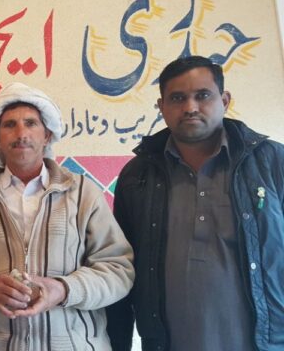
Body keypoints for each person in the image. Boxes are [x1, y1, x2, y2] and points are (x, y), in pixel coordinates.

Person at [106, 55, 284, 351]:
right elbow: (119, 268)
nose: (190, 107)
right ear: (161, 107)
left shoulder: (271, 162)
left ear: (224, 101)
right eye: (177, 98)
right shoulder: (138, 175)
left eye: (203, 95)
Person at [0, 82, 134, 350]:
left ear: (47, 135)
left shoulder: (82, 193)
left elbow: (118, 270)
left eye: (31, 123)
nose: (21, 133)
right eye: (9, 125)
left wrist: (64, 289)